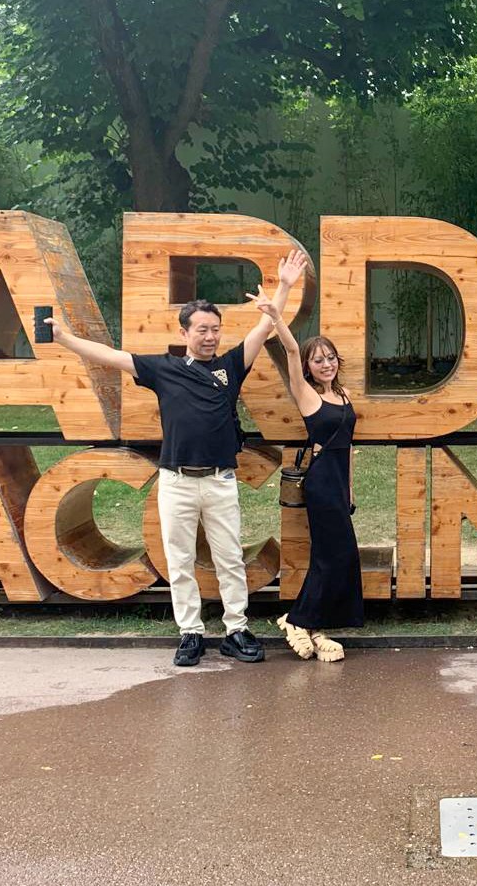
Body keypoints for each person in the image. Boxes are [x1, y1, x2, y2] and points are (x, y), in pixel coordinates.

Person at [46, 249, 310, 667]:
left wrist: (285, 286)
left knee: (229, 558)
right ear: (184, 331)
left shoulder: (230, 366)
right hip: (177, 482)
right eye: (202, 329)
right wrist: (64, 339)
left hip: (220, 481)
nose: (210, 337)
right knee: (180, 560)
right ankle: (191, 633)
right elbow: (109, 356)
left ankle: (236, 629)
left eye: (215, 329)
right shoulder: (162, 368)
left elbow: (264, 326)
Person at [255, 294, 363, 663]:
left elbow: (348, 445)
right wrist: (276, 315)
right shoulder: (306, 394)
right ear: (308, 366)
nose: (326, 364)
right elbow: (288, 348)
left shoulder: (344, 395)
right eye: (318, 360)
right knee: (333, 556)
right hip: (320, 483)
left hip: (339, 482)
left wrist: (350, 490)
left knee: (335, 555)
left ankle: (310, 623)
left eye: (330, 358)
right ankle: (300, 620)